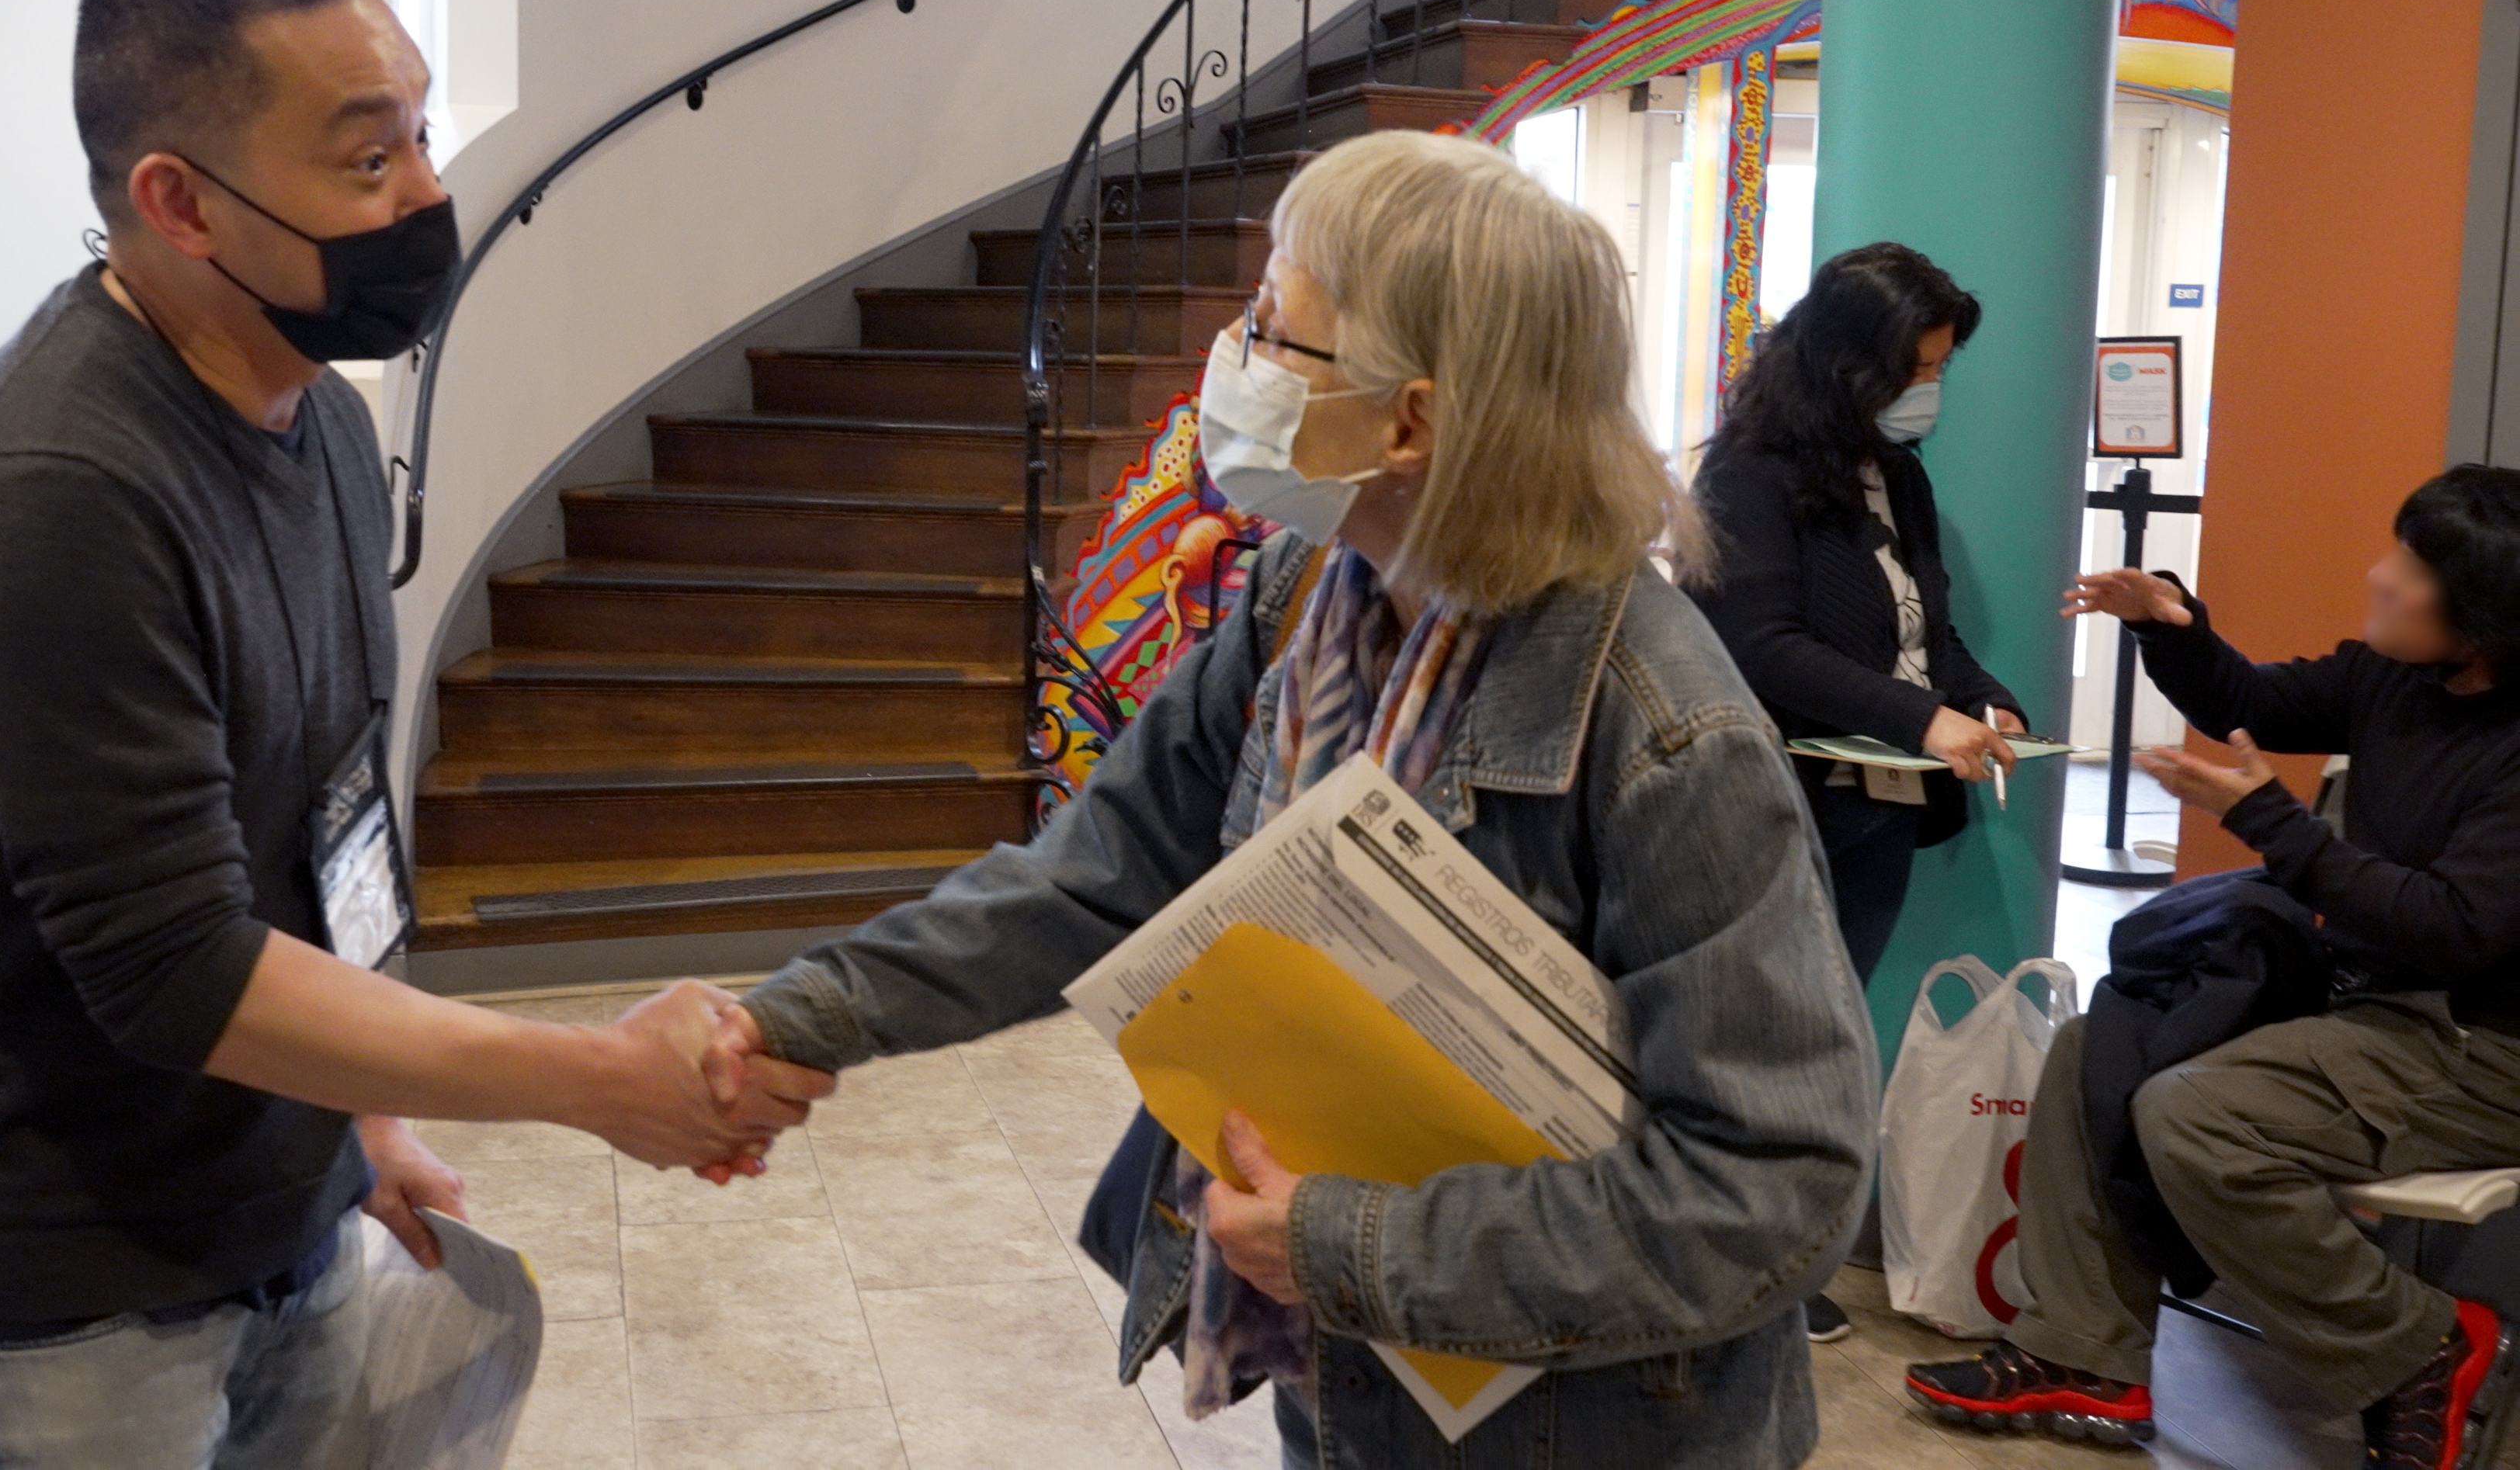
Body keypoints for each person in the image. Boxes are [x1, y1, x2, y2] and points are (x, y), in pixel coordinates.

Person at [688, 130, 1880, 1466]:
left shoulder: (1665, 733)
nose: (1236, 355)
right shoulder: (1305, 602)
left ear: (1411, 421)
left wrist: (1344, 1244)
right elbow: (1096, 876)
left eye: (1275, 325)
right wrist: (804, 1016)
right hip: (1360, 1375)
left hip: (1586, 1424)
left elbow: (1775, 1188)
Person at [0, 0, 822, 1468]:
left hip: (291, 1214)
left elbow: (319, 810)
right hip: (79, 1308)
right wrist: (595, 1084)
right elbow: (178, 970)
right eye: (369, 160)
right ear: (177, 202)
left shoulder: (306, 417)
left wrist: (361, 1121)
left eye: (423, 131)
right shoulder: (56, 493)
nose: (432, 196)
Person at [1904, 466, 2520, 1470]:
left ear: (2482, 620)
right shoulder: (2392, 678)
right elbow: (2251, 700)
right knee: (2093, 1049)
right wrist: (2169, 625)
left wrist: (2266, 818)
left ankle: (2420, 1345)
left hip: (2476, 1044)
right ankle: (2087, 1351)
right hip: (2366, 1006)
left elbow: (2451, 929)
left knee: (2193, 1113)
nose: (2378, 575)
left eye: (2409, 570)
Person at [1684, 243, 2025, 1343]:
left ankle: (1780, 1263)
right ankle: (1735, 1270)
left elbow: (1930, 636)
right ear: (1845, 364)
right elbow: (1761, 645)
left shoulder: (1899, 471)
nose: (1927, 395)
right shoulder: (1744, 473)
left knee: (1827, 1043)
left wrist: (1986, 701)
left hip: (1878, 808)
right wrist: (1923, 719)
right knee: (1757, 1051)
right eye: (1913, 371)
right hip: (1785, 804)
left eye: (1937, 373)